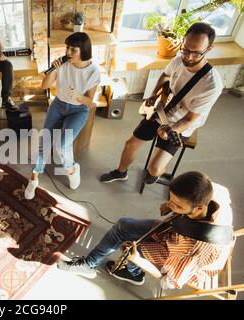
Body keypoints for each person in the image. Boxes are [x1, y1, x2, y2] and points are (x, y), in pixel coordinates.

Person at [58, 171, 233, 290]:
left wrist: (138, 260)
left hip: (182, 258)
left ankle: (135, 273)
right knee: (123, 224)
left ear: (199, 209)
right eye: (170, 199)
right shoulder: (212, 191)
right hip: (176, 233)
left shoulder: (196, 250)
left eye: (177, 205)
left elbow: (171, 281)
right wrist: (173, 208)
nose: (170, 205)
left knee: (129, 247)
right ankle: (89, 265)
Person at [100, 23, 223, 185]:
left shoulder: (212, 85)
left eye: (196, 53)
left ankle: (156, 172)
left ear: (209, 48)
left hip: (181, 124)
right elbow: (165, 76)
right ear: (183, 42)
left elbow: (190, 118)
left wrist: (173, 130)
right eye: (185, 49)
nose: (189, 57)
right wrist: (153, 94)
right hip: (162, 111)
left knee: (154, 168)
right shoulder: (178, 60)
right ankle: (121, 172)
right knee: (130, 144)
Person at [24, 32, 100, 200]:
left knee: (62, 146)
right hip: (58, 105)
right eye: (67, 48)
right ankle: (34, 177)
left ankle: (72, 169)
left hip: (79, 110)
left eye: (73, 49)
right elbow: (44, 85)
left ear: (84, 50)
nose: (68, 53)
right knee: (45, 141)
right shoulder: (63, 64)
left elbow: (89, 103)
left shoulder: (93, 71)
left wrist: (79, 96)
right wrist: (54, 70)